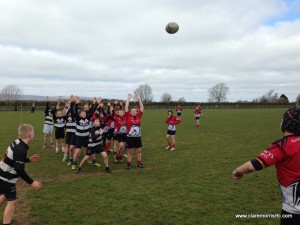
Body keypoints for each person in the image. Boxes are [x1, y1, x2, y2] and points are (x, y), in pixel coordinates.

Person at [232, 108, 300, 225]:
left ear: (287, 123)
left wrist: (238, 171)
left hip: (293, 211)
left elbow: (255, 165)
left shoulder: (281, 146)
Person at [0, 124, 42, 225]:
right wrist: (31, 182)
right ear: (30, 135)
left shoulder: (17, 142)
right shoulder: (21, 149)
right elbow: (19, 169)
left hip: (3, 174)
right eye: (33, 132)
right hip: (6, 178)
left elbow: (15, 159)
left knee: (6, 195)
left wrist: (28, 159)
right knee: (12, 202)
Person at [124, 94, 144, 170]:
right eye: (132, 111)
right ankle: (128, 164)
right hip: (130, 137)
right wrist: (128, 99)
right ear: (130, 112)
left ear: (136, 111)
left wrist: (139, 99)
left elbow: (142, 108)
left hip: (138, 137)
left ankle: (139, 163)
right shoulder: (128, 116)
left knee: (138, 151)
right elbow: (126, 108)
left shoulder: (139, 116)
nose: (134, 112)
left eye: (135, 111)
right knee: (130, 151)